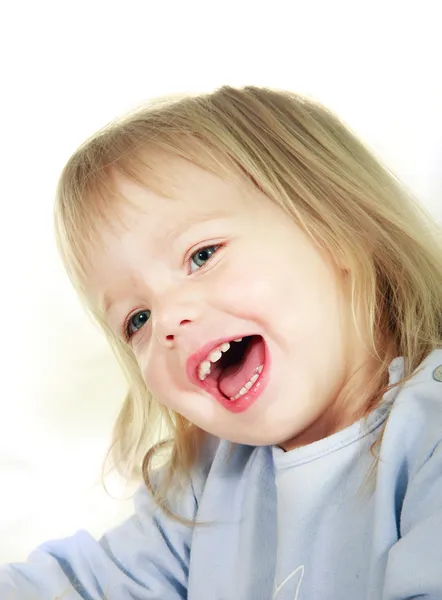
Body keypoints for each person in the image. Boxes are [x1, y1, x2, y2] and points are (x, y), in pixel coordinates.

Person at [1, 85, 442, 600]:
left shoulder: (427, 433)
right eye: (136, 319)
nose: (167, 321)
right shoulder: (205, 482)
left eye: (203, 255)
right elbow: (83, 587)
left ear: (335, 228)